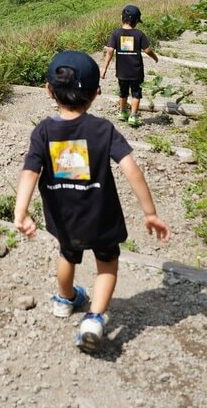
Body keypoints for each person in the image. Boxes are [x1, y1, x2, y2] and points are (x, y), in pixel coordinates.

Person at [14, 50, 171, 353]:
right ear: (96, 94)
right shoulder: (103, 130)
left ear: (49, 90)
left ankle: (64, 300)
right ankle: (94, 319)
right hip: (102, 217)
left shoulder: (43, 132)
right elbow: (131, 169)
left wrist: (21, 211)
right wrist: (150, 213)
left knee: (67, 254)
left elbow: (30, 171)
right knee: (108, 265)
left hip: (65, 217)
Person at [101, 4, 158, 128]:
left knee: (123, 92)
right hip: (136, 71)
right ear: (137, 20)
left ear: (122, 18)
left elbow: (110, 51)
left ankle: (122, 112)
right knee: (136, 93)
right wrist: (155, 58)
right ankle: (133, 115)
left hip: (122, 71)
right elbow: (148, 50)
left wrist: (104, 68)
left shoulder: (116, 33)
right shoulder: (139, 34)